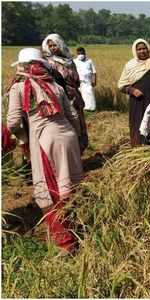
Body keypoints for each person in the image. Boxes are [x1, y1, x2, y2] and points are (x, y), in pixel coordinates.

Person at [7, 48, 83, 253]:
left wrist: (23, 140)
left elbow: (13, 122)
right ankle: (76, 231)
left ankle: (65, 244)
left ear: (22, 66)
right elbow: (73, 115)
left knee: (49, 193)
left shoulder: (20, 87)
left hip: (45, 141)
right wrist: (75, 138)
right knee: (70, 189)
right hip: (68, 137)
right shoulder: (55, 85)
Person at [118, 39, 150, 147]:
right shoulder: (130, 65)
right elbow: (121, 85)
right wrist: (132, 90)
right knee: (137, 122)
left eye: (144, 48)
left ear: (148, 48)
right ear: (135, 51)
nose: (142, 51)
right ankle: (138, 146)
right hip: (137, 101)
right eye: (139, 49)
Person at [42, 33, 88, 153]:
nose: (53, 48)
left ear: (60, 45)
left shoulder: (69, 60)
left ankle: (78, 153)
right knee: (68, 126)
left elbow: (77, 79)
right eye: (50, 46)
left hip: (75, 97)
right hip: (61, 98)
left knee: (78, 123)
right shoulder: (48, 63)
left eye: (55, 45)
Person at [73, 47, 97, 111]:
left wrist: (94, 80)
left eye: (82, 53)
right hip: (79, 82)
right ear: (77, 54)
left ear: (85, 53)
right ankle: (82, 108)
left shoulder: (89, 61)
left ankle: (91, 108)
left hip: (88, 81)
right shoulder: (74, 61)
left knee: (89, 93)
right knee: (81, 95)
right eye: (79, 53)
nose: (80, 55)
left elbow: (94, 72)